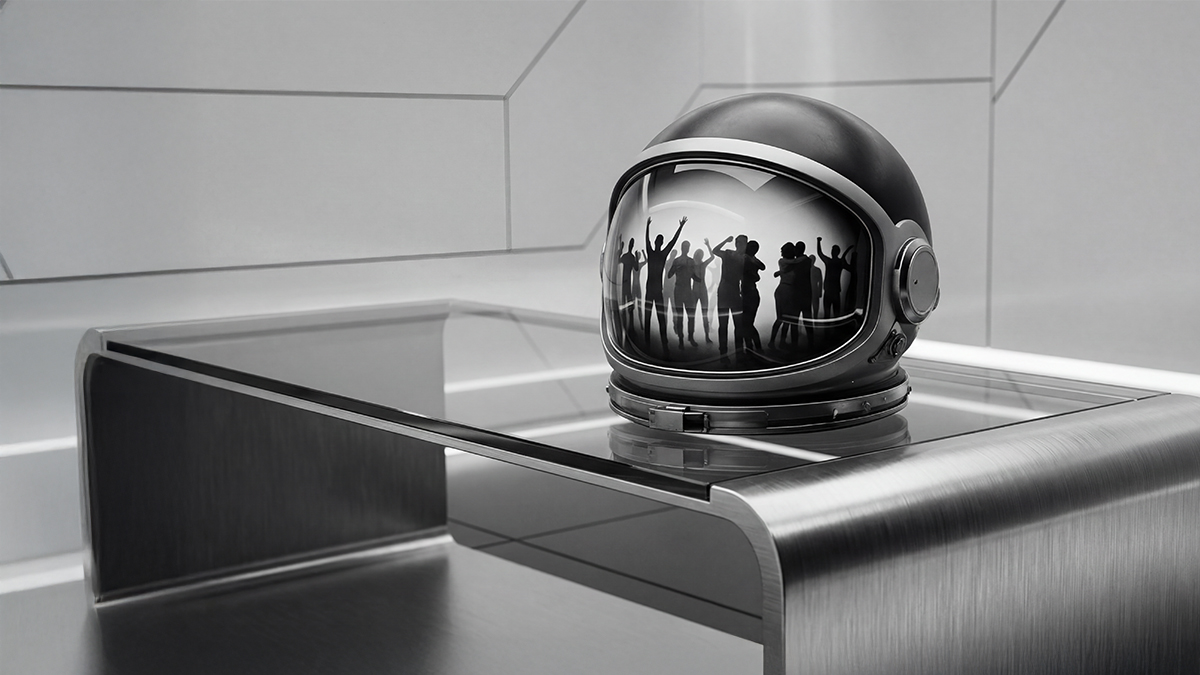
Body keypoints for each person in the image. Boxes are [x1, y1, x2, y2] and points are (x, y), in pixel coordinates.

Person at [643, 216, 687, 355]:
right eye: (659, 241)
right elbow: (649, 240)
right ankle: (656, 344)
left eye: (659, 241)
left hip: (654, 290)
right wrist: (647, 227)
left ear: (658, 242)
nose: (658, 242)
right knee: (653, 318)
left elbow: (672, 241)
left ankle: (661, 344)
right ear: (660, 242)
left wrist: (680, 227)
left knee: (656, 318)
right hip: (654, 290)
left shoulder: (657, 254)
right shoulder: (659, 254)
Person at [710, 234, 747, 361]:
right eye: (739, 242)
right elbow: (715, 250)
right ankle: (723, 354)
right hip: (725, 292)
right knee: (723, 324)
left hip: (735, 293)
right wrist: (725, 240)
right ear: (736, 243)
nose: (740, 245)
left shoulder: (745, 258)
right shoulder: (728, 253)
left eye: (743, 242)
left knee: (738, 325)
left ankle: (739, 353)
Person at [817, 237, 855, 320]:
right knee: (836, 314)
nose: (832, 252)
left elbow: (820, 253)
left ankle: (829, 327)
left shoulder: (829, 261)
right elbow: (852, 269)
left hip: (829, 291)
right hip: (835, 291)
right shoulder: (840, 262)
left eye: (833, 250)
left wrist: (818, 241)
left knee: (828, 314)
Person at [769, 243, 798, 348]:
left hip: (786, 290)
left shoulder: (787, 262)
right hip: (785, 290)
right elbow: (794, 263)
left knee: (786, 319)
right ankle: (773, 341)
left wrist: (779, 272)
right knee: (781, 318)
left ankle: (780, 341)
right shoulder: (783, 261)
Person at [666, 241, 695, 349]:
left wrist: (697, 278)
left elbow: (694, 276)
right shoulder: (677, 261)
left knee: (690, 316)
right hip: (679, 290)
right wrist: (677, 268)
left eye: (687, 247)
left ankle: (690, 337)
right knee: (680, 316)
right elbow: (669, 275)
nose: (686, 249)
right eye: (685, 247)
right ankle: (681, 339)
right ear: (682, 248)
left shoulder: (691, 261)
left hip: (687, 290)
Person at [617, 238, 644, 347]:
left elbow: (619, 262)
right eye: (632, 244)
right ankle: (627, 328)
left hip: (626, 284)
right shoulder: (631, 257)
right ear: (631, 246)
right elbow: (636, 267)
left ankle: (627, 328)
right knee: (628, 307)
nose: (631, 246)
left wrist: (620, 250)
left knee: (628, 306)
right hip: (626, 284)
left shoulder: (627, 257)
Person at [740, 240, 766, 352]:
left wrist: (751, 258)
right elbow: (762, 268)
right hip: (750, 293)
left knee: (747, 323)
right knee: (747, 323)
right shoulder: (750, 259)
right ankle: (752, 347)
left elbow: (761, 269)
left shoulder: (747, 259)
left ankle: (754, 347)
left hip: (749, 294)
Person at [691, 244, 716, 345]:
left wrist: (708, 245)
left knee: (705, 314)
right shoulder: (693, 265)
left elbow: (712, 257)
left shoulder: (703, 264)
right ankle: (691, 336)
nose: (700, 256)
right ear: (696, 255)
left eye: (701, 254)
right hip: (695, 291)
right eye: (699, 254)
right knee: (692, 314)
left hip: (702, 291)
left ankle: (707, 336)